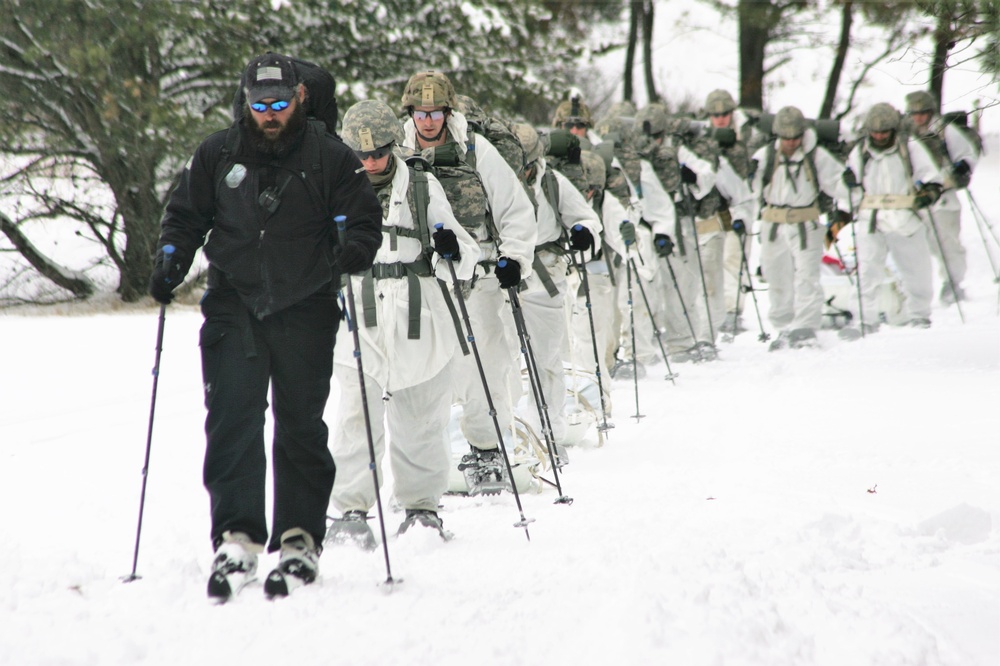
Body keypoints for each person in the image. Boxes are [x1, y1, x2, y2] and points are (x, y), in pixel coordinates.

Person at [149, 53, 383, 599]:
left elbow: (361, 212)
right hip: (233, 302)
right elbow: (185, 216)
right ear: (245, 101)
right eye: (260, 105)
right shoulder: (216, 152)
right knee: (233, 419)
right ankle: (237, 538)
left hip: (307, 303)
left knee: (300, 424)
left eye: (280, 104)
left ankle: (300, 540)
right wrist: (169, 261)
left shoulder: (329, 154)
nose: (270, 114)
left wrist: (356, 247)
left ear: (299, 100)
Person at [326, 100, 479, 541]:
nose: (372, 162)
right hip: (359, 318)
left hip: (419, 317)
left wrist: (449, 248)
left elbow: (466, 256)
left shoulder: (421, 186)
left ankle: (421, 509)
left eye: (379, 153)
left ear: (395, 144)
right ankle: (350, 513)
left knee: (421, 419)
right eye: (362, 154)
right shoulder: (332, 187)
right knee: (356, 419)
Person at [400, 71, 537, 495]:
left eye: (435, 112)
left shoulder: (475, 149)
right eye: (420, 113)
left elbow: (514, 207)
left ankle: (487, 448)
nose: (427, 121)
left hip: (478, 278)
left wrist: (514, 257)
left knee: (486, 364)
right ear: (410, 113)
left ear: (448, 111)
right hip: (423, 279)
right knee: (427, 369)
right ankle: (425, 460)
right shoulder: (398, 151)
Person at [512, 123, 603, 462]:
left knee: (546, 356)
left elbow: (587, 219)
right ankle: (506, 434)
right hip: (502, 272)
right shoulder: (495, 179)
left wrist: (582, 232)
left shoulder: (552, 182)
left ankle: (548, 430)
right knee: (502, 355)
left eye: (526, 163)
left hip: (545, 273)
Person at [750, 106, 851, 350]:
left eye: (795, 137)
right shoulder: (765, 156)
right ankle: (784, 327)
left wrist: (849, 187)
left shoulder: (815, 155)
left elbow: (837, 183)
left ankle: (805, 326)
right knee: (777, 276)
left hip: (806, 223)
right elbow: (749, 190)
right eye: (786, 138)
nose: (791, 143)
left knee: (807, 277)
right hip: (773, 223)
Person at [841, 102, 943, 335]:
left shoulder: (909, 148)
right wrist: (847, 187)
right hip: (871, 218)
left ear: (894, 130)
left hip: (905, 216)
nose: (879, 136)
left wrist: (930, 192)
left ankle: (919, 316)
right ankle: (864, 319)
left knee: (916, 270)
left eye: (884, 132)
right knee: (867, 270)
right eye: (875, 132)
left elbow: (931, 176)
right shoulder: (860, 151)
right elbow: (851, 187)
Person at [903, 91, 980, 305]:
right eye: (914, 113)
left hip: (945, 196)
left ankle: (953, 283)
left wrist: (963, 167)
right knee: (923, 243)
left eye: (923, 113)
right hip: (918, 197)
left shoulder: (945, 131)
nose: (919, 118)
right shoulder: (905, 134)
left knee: (948, 242)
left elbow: (967, 155)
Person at [702, 89, 761, 334]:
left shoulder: (748, 135)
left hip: (740, 206)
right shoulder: (703, 137)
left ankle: (732, 311)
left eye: (724, 114)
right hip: (711, 210)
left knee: (734, 258)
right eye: (715, 115)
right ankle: (714, 313)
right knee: (710, 263)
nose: (720, 119)